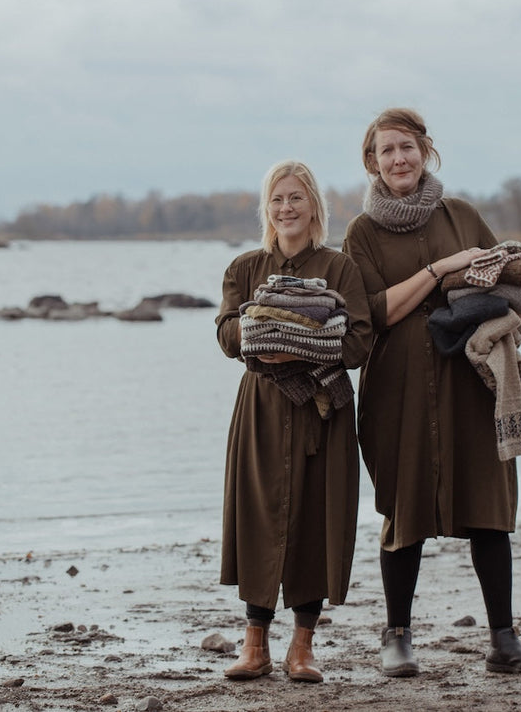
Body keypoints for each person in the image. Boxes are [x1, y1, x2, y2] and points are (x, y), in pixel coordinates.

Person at [342, 108, 521, 676]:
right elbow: (377, 313)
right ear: (373, 162)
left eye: (407, 147)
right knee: (403, 504)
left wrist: (505, 284)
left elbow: (509, 279)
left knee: (489, 502)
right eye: (386, 150)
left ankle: (505, 642)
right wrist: (441, 271)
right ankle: (396, 636)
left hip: (470, 380)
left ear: (425, 151)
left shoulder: (461, 214)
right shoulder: (361, 233)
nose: (399, 159)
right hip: (398, 388)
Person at [215, 160, 372, 683]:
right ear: (267, 208)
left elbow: (357, 342)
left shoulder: (340, 268)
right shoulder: (243, 269)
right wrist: (270, 334)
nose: (287, 208)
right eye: (278, 199)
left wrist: (293, 344)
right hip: (261, 409)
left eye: (297, 198)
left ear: (314, 207)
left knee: (314, 517)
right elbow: (228, 335)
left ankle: (301, 647)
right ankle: (254, 643)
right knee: (257, 515)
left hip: (322, 410)